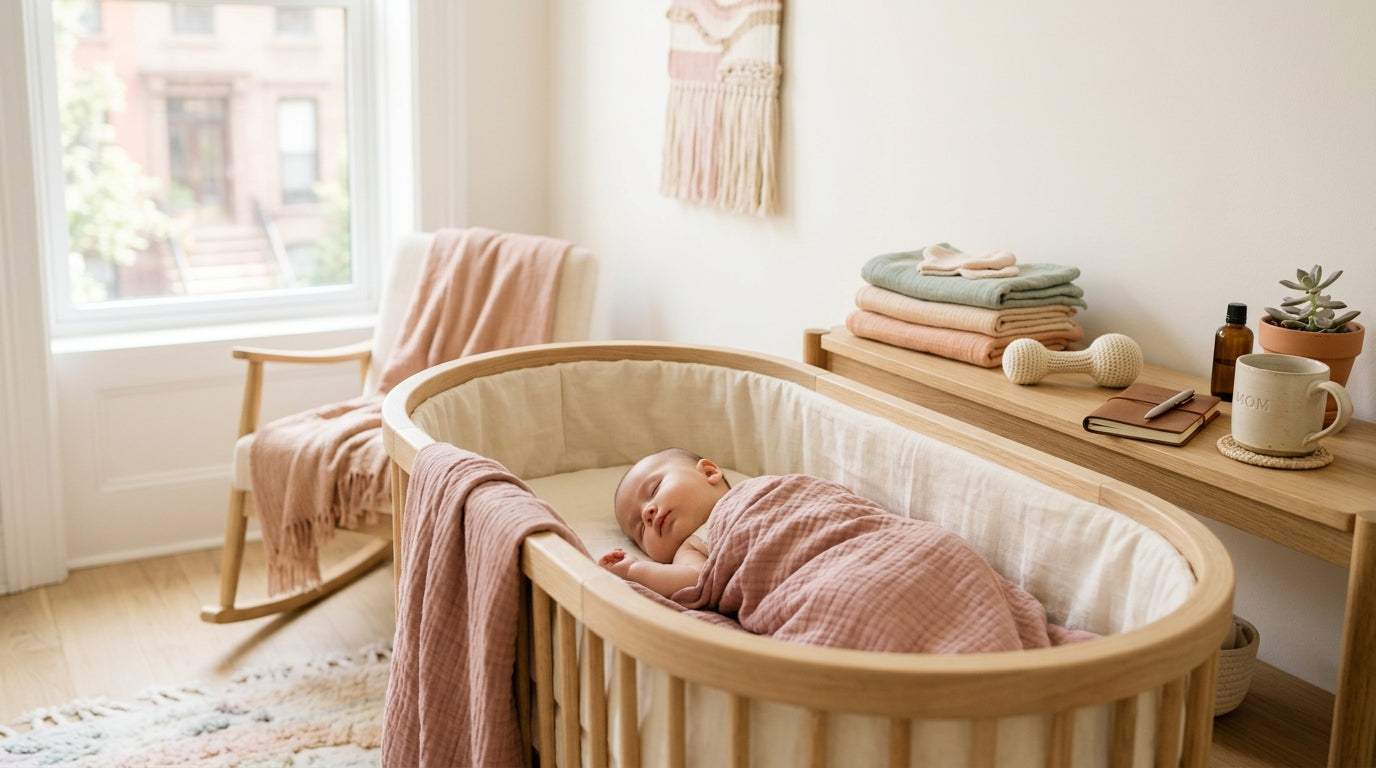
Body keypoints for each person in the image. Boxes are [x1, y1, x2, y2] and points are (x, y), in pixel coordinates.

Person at [598, 447, 727, 597]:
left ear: (709, 472)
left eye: (654, 490)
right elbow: (694, 580)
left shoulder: (750, 489)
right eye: (641, 529)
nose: (647, 512)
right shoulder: (691, 550)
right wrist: (631, 569)